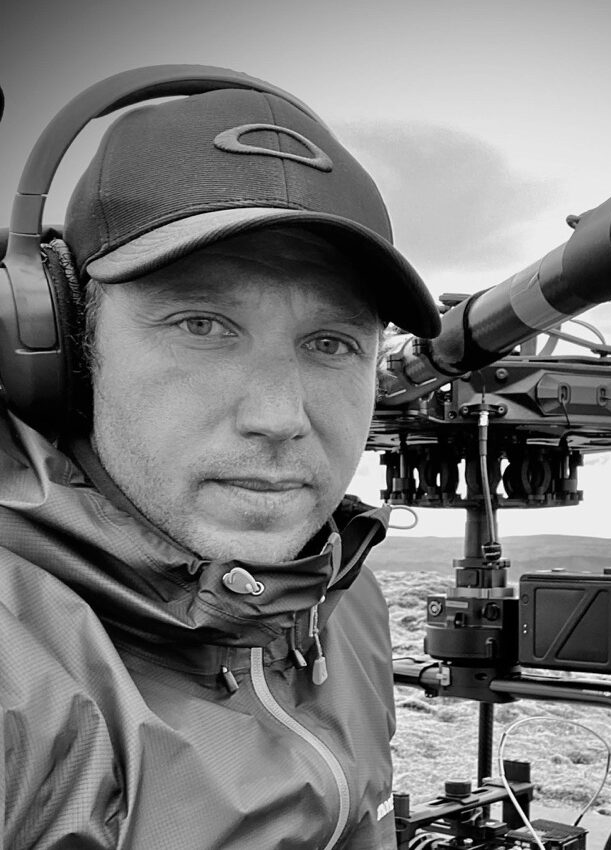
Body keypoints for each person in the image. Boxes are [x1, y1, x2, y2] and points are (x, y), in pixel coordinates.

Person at [0, 81, 440, 848]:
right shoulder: (18, 677)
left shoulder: (346, 600)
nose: (278, 418)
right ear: (61, 347)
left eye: (331, 343)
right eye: (203, 324)